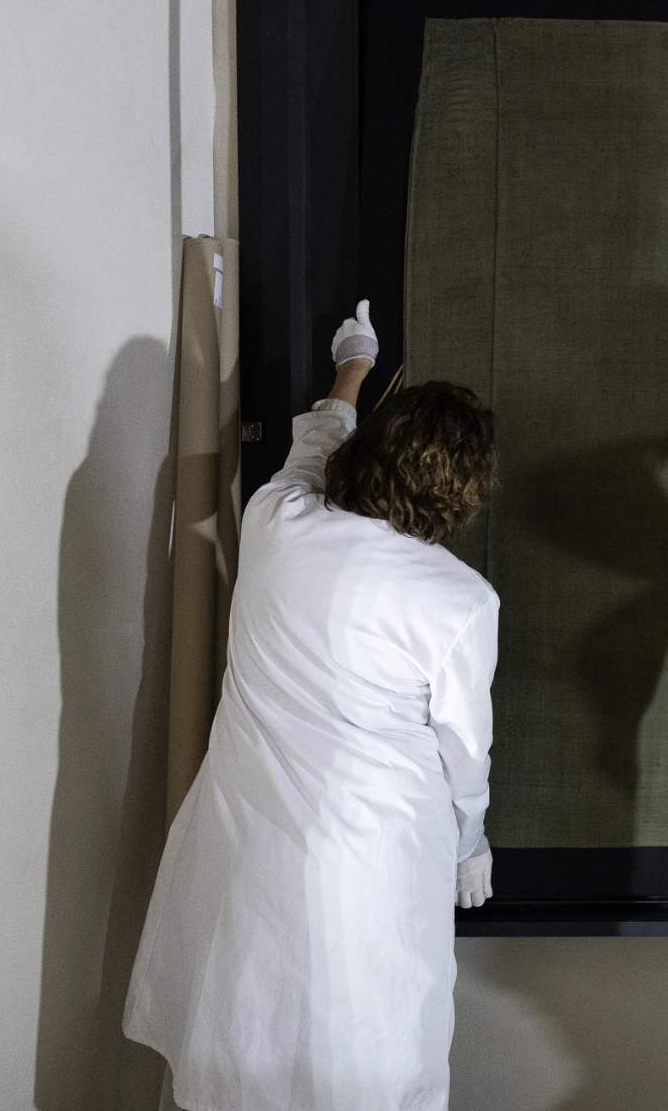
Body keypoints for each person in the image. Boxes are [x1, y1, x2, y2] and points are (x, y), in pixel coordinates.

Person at [125, 302, 501, 1111]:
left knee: (239, 1037)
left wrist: (356, 362)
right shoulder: (460, 600)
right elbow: (465, 749)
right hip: (379, 858)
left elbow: (318, 441)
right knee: (369, 1050)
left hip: (250, 836)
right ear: (464, 491)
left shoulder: (276, 520)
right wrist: (471, 841)